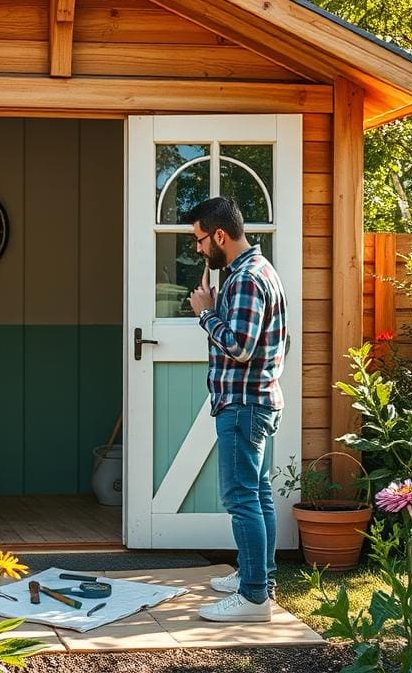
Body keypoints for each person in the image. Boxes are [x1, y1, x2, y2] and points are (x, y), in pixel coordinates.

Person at [186, 197, 288, 623]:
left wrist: (206, 314)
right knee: (257, 495)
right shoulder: (257, 271)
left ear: (220, 236)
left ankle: (252, 599)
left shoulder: (247, 278)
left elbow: (242, 348)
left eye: (199, 238)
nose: (197, 248)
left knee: (241, 498)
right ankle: (257, 576)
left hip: (244, 405)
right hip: (256, 401)